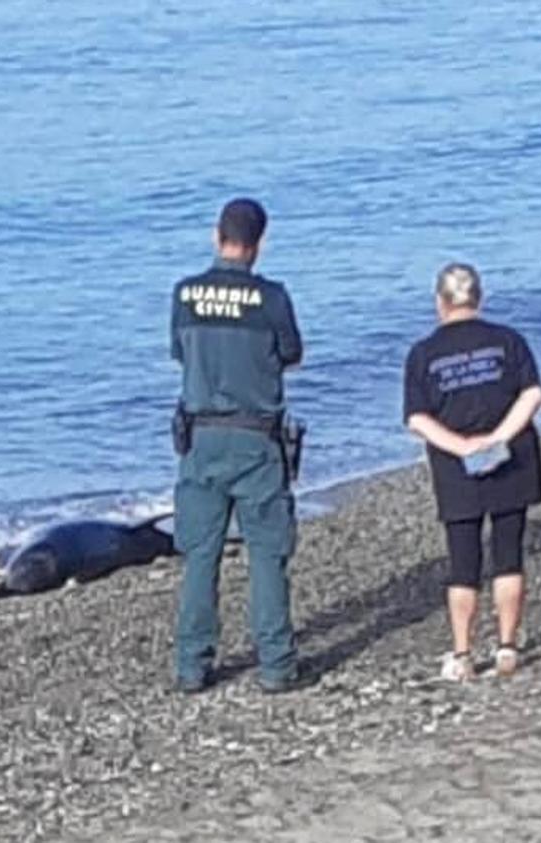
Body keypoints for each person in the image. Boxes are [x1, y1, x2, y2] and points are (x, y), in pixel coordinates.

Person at [169, 197, 303, 694]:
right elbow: (291, 353)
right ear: (260, 244)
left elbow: (179, 353)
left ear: (215, 235)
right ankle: (276, 665)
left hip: (201, 438)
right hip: (256, 439)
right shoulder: (271, 298)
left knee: (200, 555)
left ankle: (191, 665)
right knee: (267, 554)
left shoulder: (185, 295)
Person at [403, 263, 541, 681]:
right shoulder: (507, 340)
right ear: (478, 298)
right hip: (511, 454)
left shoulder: (424, 353)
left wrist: (461, 445)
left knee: (463, 560)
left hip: (456, 465)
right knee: (508, 553)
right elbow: (532, 394)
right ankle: (506, 647)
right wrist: (499, 436)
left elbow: (416, 417)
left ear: (440, 303)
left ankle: (463, 652)